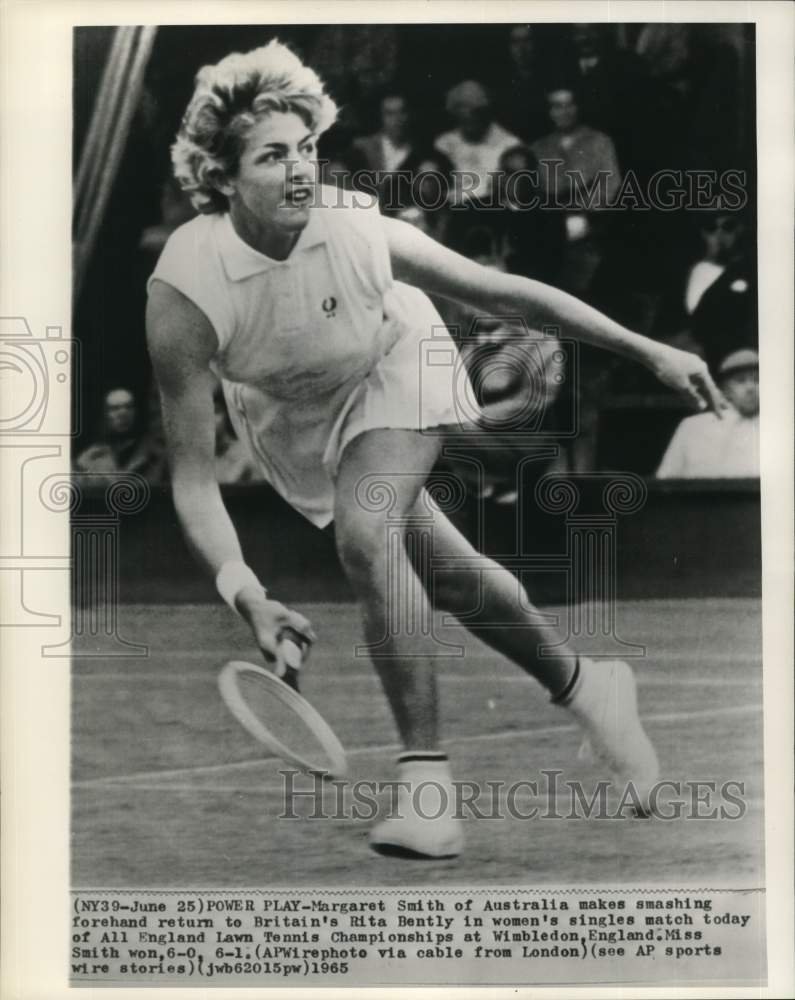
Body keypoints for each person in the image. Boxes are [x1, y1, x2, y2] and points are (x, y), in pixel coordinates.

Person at [147, 41, 725, 859]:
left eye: (307, 148)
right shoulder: (183, 292)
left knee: (366, 530)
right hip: (292, 414)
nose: (301, 170)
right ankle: (590, 688)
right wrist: (245, 595)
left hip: (390, 364)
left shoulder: (353, 228)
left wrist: (647, 349)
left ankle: (427, 792)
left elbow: (503, 292)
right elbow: (195, 479)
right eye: (273, 156)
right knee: (446, 575)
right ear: (221, 175)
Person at [656, 348, 759, 479]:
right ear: (725, 389)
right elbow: (665, 480)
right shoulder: (693, 427)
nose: (750, 388)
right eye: (740, 380)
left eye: (757, 380)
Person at [433, 81, 520, 204]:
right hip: (453, 210)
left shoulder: (509, 145)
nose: (469, 118)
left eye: (476, 113)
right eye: (462, 115)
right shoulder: (444, 143)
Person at [75, 386, 165, 484]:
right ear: (105, 415)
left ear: (137, 412)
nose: (122, 413)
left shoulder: (158, 456)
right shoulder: (89, 460)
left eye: (128, 407)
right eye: (114, 409)